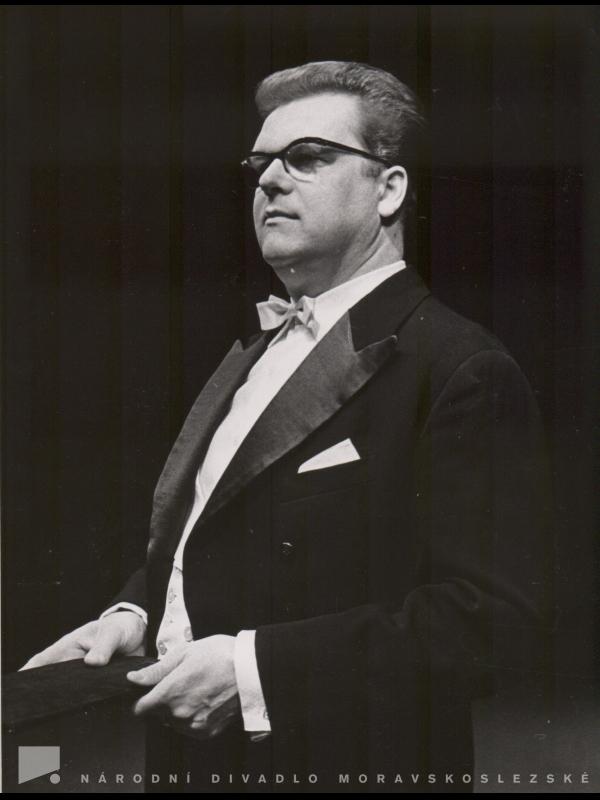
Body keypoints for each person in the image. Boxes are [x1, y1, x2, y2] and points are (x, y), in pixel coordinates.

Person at [21, 61, 550, 790]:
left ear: (389, 189)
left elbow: (493, 623)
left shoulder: (459, 365)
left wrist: (253, 671)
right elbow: (218, 535)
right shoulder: (255, 353)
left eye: (307, 156)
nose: (269, 180)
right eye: (260, 163)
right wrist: (137, 611)